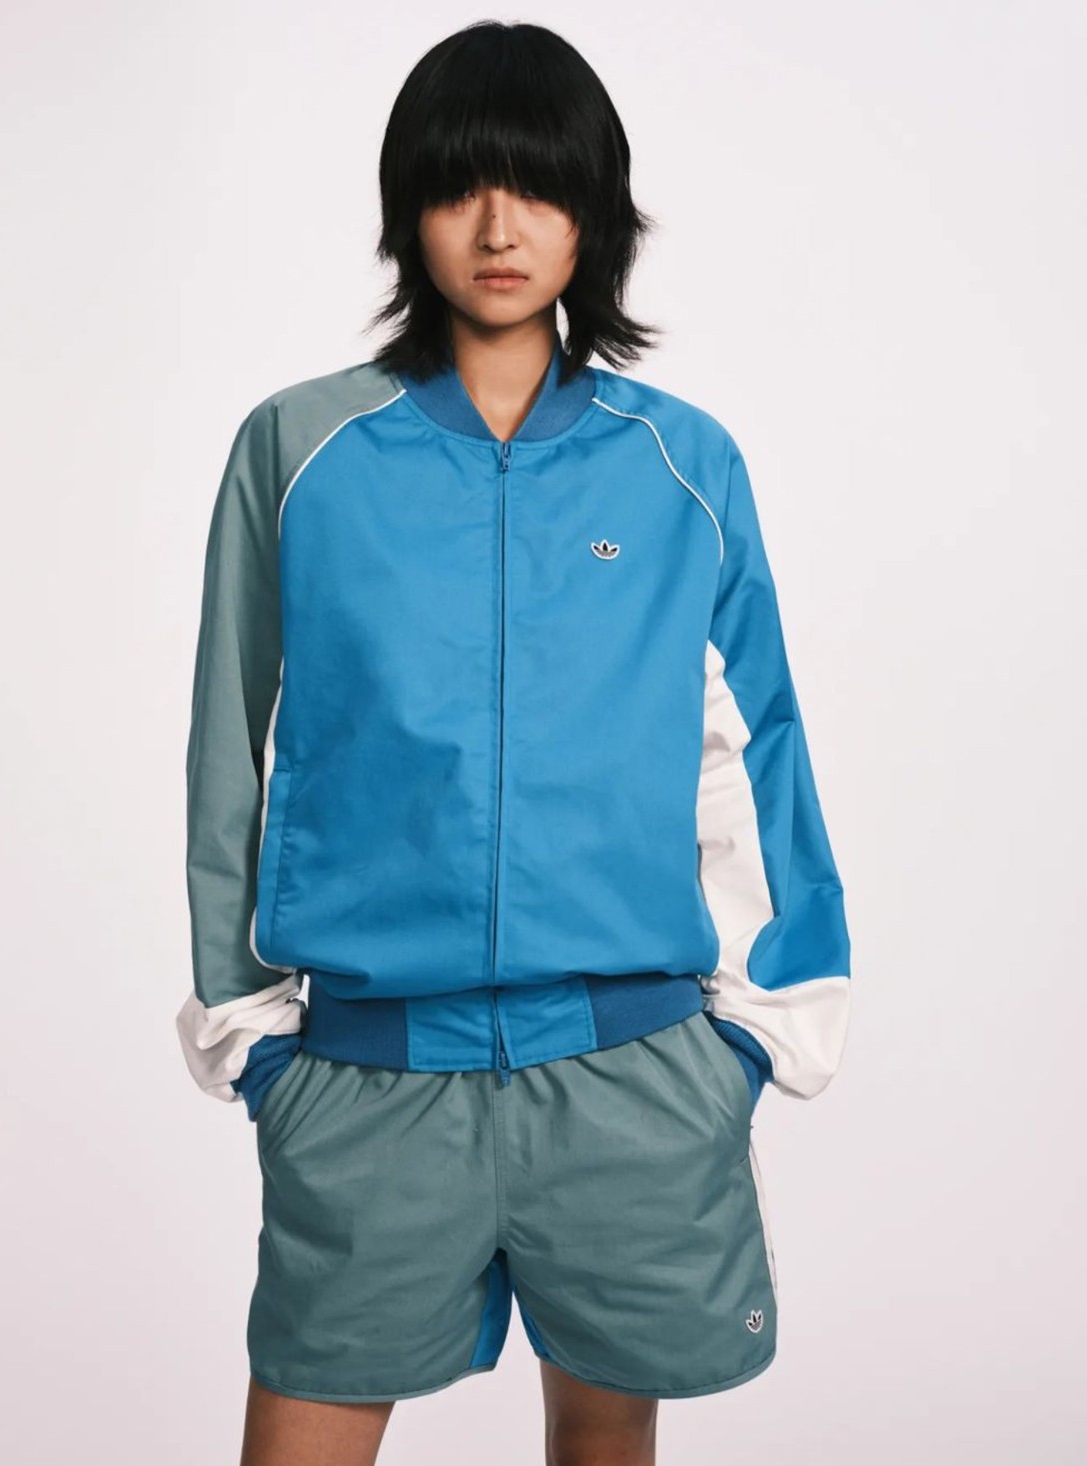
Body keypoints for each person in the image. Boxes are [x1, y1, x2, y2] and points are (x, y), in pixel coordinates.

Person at [177, 19, 852, 1466]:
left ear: (594, 214)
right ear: (406, 209)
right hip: (368, 1084)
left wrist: (754, 1041)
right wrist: (257, 1046)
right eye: (460, 187)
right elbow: (230, 750)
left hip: (630, 1078)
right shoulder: (299, 453)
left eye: (538, 188)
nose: (498, 228)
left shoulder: (681, 465)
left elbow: (756, 748)